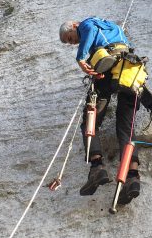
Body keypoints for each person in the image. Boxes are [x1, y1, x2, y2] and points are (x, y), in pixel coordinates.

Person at [59, 17, 144, 205]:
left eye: (70, 38)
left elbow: (88, 32)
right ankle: (132, 177)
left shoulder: (88, 23)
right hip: (132, 74)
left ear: (74, 25)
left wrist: (81, 57)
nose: (73, 42)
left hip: (110, 71)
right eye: (70, 42)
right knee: (126, 128)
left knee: (90, 120)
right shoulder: (112, 29)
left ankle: (97, 167)